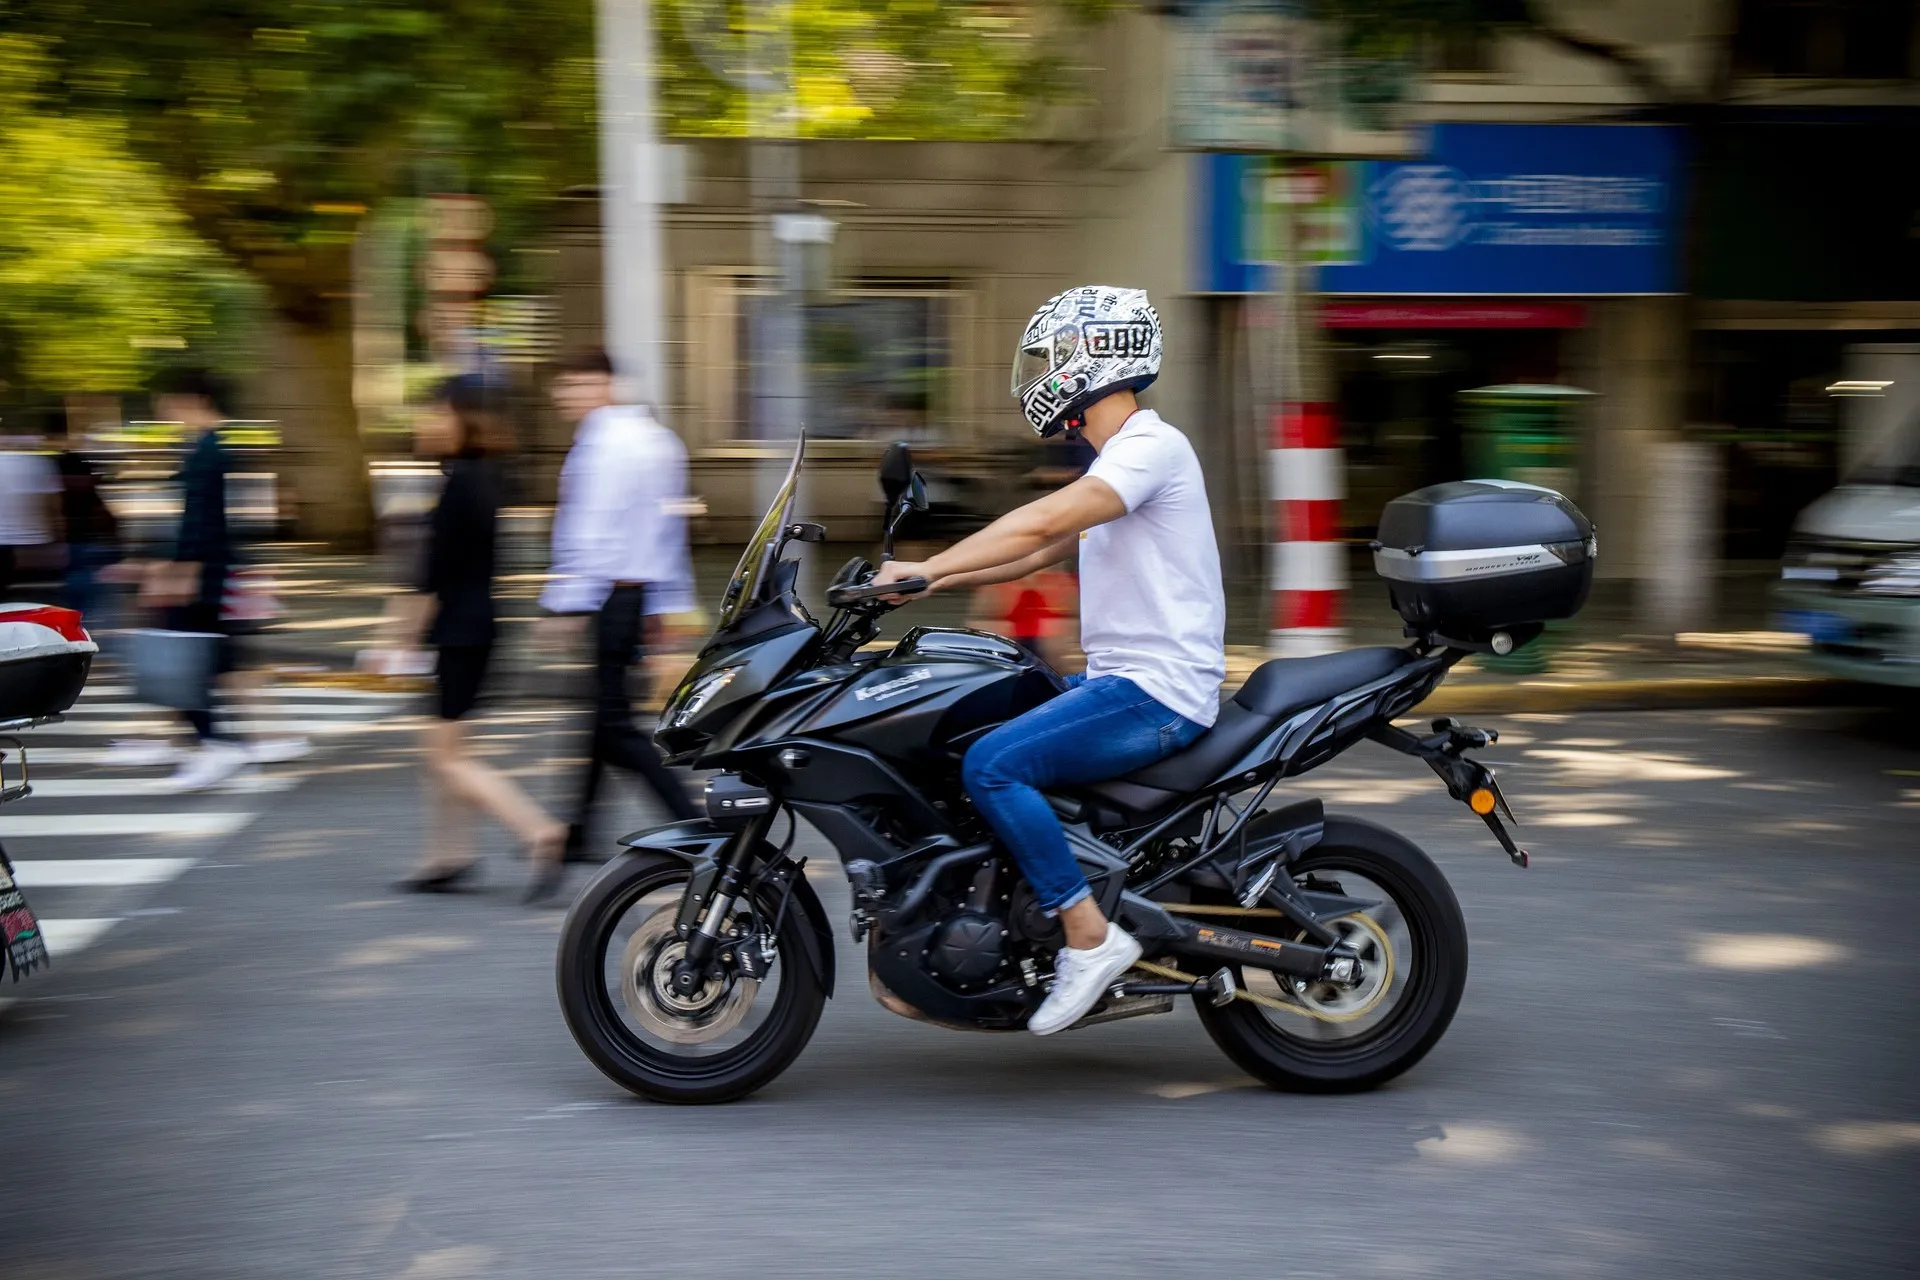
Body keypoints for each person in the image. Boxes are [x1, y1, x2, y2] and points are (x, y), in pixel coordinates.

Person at [873, 285, 1225, 1036]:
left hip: (1156, 693)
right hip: (1120, 681)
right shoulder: (1118, 460)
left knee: (994, 766)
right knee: (964, 725)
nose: (1040, 373)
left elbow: (1040, 522)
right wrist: (922, 584)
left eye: (1051, 356)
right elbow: (1036, 552)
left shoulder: (1150, 448)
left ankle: (1088, 936)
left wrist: (929, 565)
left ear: (1097, 355)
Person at [398, 375, 568, 897]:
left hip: (459, 632)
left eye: (438, 411)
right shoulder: (483, 476)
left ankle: (539, 832)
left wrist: (398, 640)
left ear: (463, 418)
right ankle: (448, 856)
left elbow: (430, 577)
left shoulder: (460, 483)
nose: (428, 421)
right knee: (445, 753)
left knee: (448, 758)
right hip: (477, 628)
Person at [540, 349, 699, 878]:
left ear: (605, 384)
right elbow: (669, 533)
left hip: (610, 595)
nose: (565, 395)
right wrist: (668, 606)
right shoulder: (658, 439)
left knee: (614, 725)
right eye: (564, 386)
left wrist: (566, 604)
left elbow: (591, 529)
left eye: (576, 384)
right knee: (600, 715)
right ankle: (579, 831)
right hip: (637, 593)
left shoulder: (601, 445)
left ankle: (693, 825)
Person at [138, 368, 309, 790]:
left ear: (194, 399)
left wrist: (182, 571)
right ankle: (211, 741)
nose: (163, 409)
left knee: (187, 658)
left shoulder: (209, 451)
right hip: (216, 573)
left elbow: (202, 522)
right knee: (215, 659)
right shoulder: (212, 446)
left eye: (168, 400)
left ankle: (212, 744)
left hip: (206, 576)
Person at [48, 412, 121, 626]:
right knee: (84, 581)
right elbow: (98, 500)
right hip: (87, 533)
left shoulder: (54, 466)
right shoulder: (80, 464)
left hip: (71, 533)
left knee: (76, 580)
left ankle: (75, 623)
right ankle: (85, 622)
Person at [0, 426, 60, 597]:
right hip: (36, 540)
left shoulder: (37, 462)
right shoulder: (39, 462)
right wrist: (58, 533)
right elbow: (54, 503)